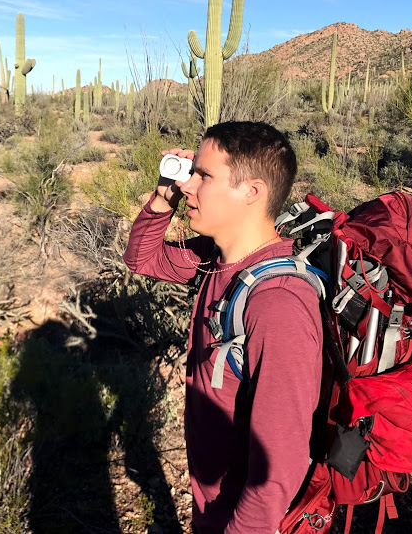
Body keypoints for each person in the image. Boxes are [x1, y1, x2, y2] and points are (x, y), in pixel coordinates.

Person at [123, 122, 322, 534]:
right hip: (212, 503)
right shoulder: (215, 258)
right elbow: (142, 259)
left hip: (242, 518)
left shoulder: (277, 303)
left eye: (204, 176)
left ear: (252, 192)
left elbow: (278, 466)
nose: (189, 187)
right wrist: (163, 195)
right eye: (191, 172)